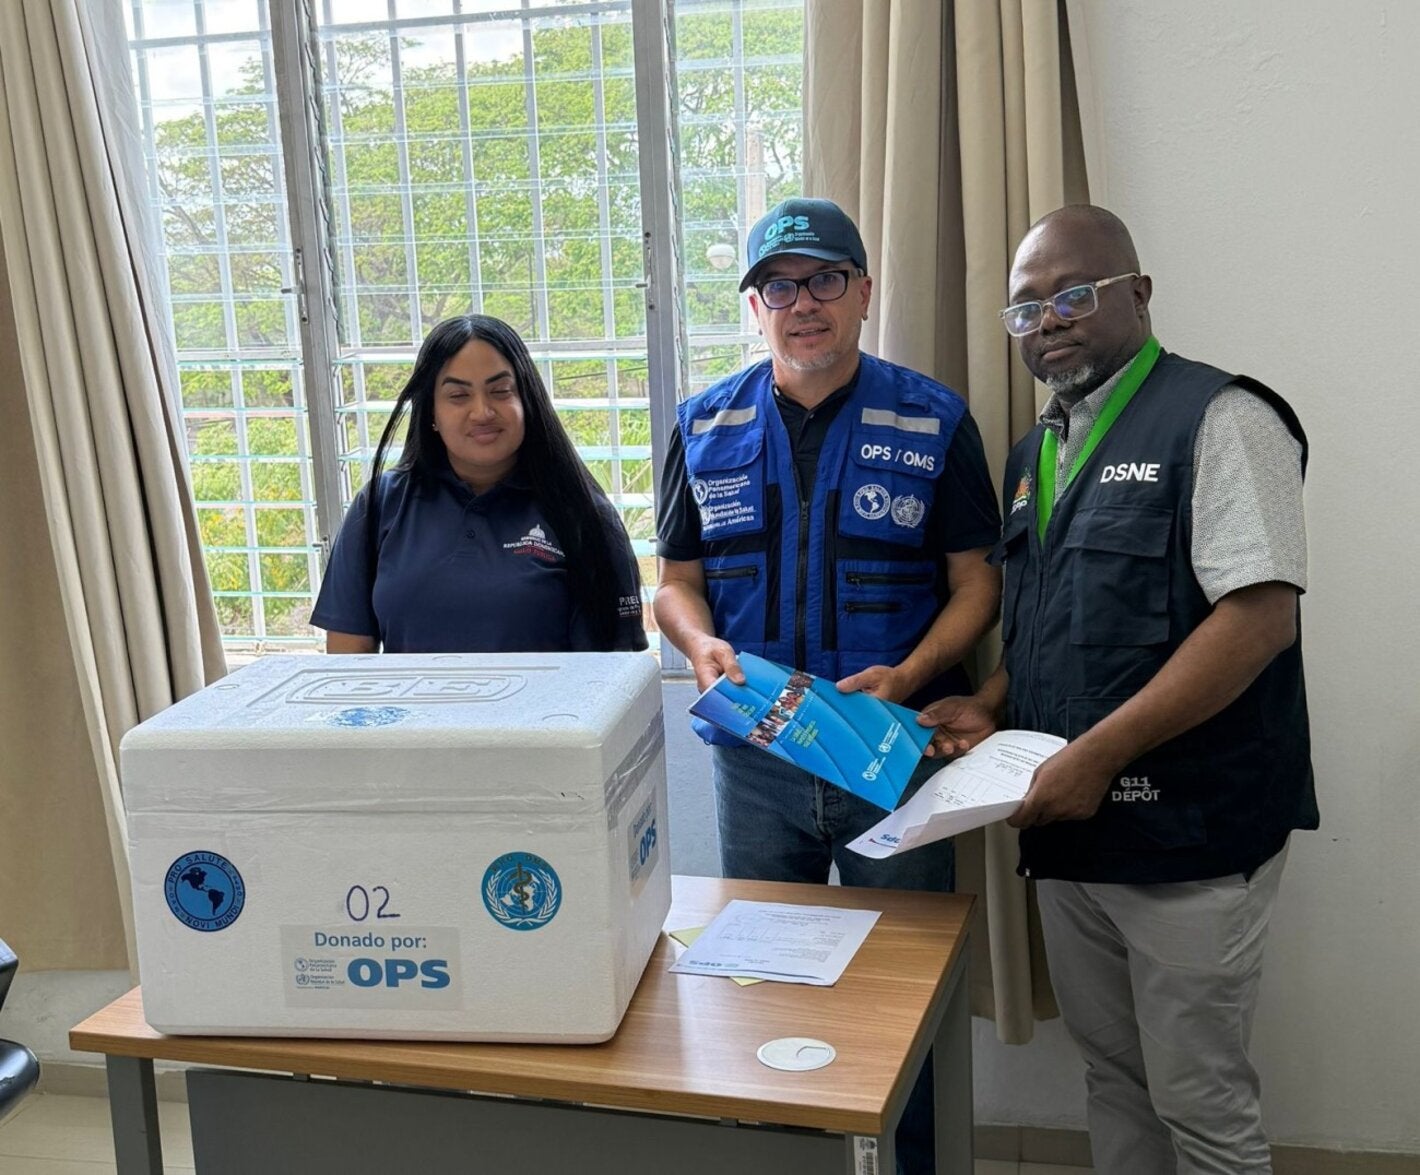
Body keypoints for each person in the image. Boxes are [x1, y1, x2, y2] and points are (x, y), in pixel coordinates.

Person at [921, 204, 1316, 1175]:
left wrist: (1096, 752)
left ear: (1135, 293)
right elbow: (1060, 625)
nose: (1047, 320)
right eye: (1024, 309)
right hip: (1074, 831)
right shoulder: (1030, 459)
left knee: (1199, 1100)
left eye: (1070, 294)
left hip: (1189, 838)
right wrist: (995, 700)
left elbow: (1259, 616)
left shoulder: (1220, 415)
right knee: (1112, 1074)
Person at [653, 197, 1001, 1175]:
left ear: (861, 293)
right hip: (756, 763)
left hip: (893, 756)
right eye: (779, 285)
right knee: (764, 986)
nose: (801, 302)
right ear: (755, 304)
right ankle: (789, 1158)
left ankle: (920, 1161)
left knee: (907, 991)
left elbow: (978, 583)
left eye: (824, 280)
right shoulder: (702, 421)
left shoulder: (932, 417)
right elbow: (675, 586)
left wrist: (913, 671)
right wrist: (701, 647)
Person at [312, 314, 647, 654]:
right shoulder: (381, 505)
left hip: (544, 708)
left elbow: (613, 676)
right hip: (410, 708)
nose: (482, 411)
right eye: (458, 396)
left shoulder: (585, 514)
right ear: (431, 413)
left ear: (527, 402)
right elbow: (347, 662)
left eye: (500, 391)